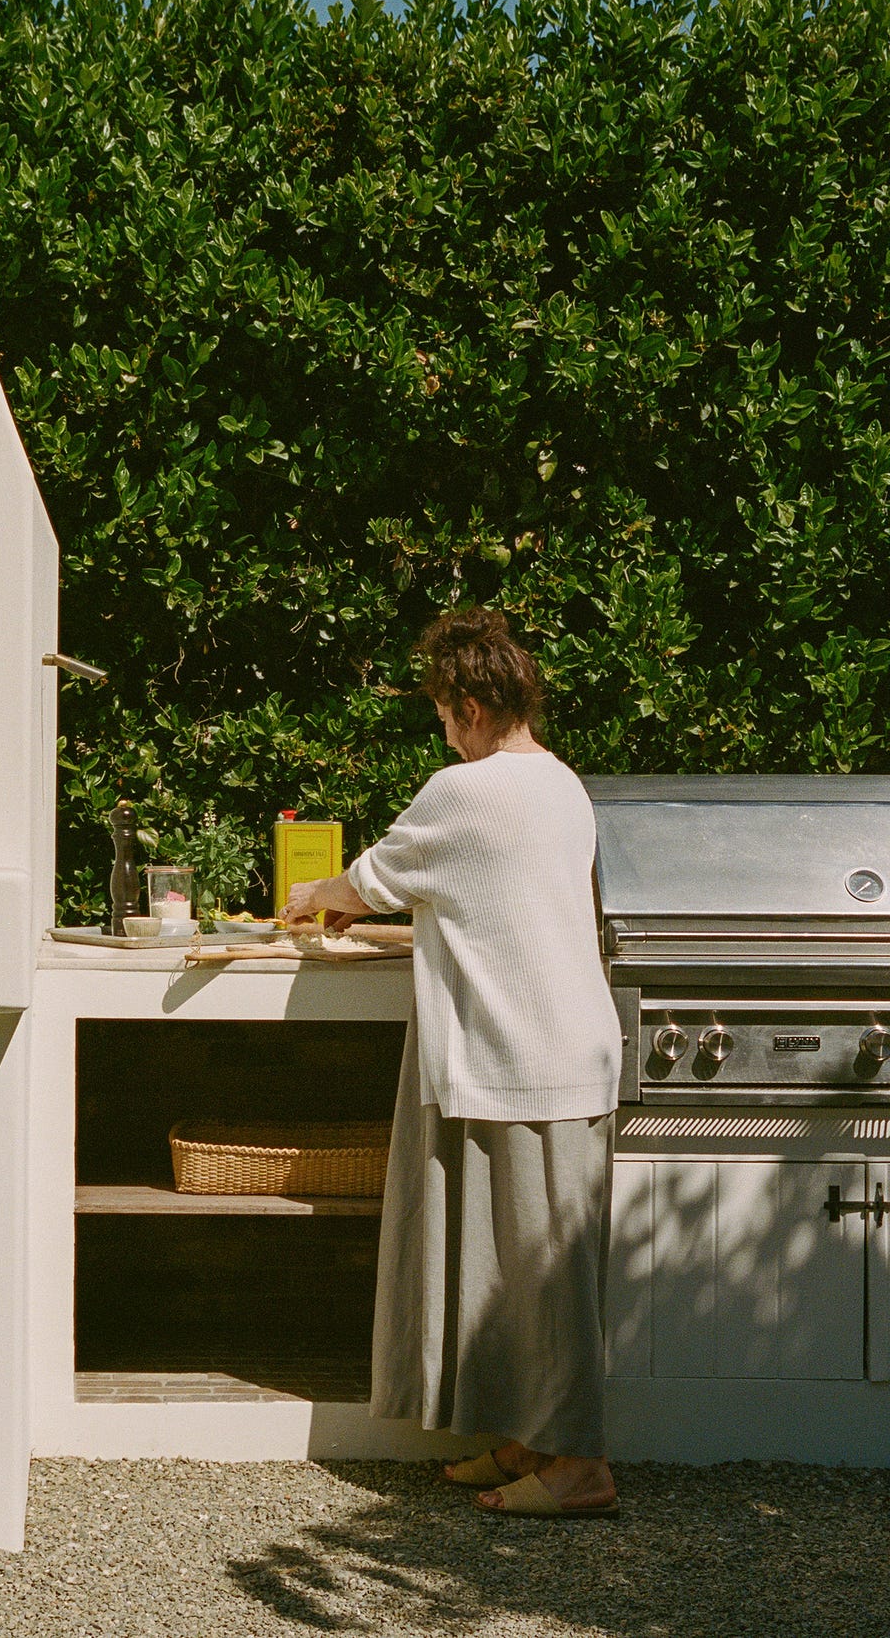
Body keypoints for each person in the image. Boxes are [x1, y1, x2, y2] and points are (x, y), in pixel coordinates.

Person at [281, 606, 623, 1518]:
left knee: (542, 1278)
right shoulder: (560, 783)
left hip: (527, 1053)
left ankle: (581, 1465)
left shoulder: (463, 790)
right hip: (557, 1048)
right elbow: (479, 895)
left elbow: (369, 878)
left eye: (441, 710)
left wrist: (315, 894)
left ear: (470, 704)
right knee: (522, 1268)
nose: (442, 727)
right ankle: (528, 1440)